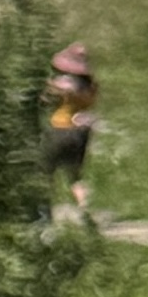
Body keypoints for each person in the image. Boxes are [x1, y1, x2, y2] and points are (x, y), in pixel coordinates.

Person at [46, 44, 99, 219]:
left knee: (48, 170)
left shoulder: (64, 84)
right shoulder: (90, 88)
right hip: (81, 132)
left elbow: (47, 96)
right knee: (75, 175)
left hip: (60, 129)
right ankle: (84, 206)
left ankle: (45, 210)